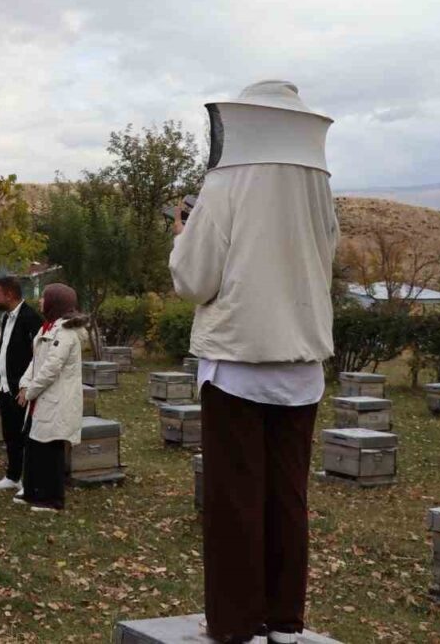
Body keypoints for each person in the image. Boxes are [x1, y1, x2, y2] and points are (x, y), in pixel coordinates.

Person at [170, 81, 337, 644]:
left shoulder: (226, 180)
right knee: (288, 497)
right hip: (302, 364)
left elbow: (194, 279)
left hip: (238, 361)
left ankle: (237, 625)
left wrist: (182, 235)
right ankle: (285, 621)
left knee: (234, 499)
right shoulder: (319, 185)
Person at [18, 284, 85, 512]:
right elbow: (36, 361)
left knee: (50, 449)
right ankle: (32, 491)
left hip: (55, 399)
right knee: (33, 446)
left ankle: (52, 499)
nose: (40, 301)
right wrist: (24, 384)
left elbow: (51, 368)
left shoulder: (65, 333)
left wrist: (30, 391)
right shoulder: (46, 328)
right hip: (41, 399)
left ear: (55, 302)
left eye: (44, 297)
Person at [0, 275, 42, 493]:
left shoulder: (30, 318)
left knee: (23, 434)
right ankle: (12, 476)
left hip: (21, 388)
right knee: (9, 433)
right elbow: (4, 349)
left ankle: (27, 478)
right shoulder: (5, 318)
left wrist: (26, 385)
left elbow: (37, 356)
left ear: (10, 294)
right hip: (5, 386)